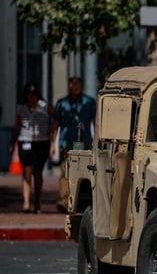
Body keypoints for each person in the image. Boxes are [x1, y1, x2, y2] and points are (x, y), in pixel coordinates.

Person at [50, 76, 97, 213]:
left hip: (84, 143)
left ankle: (81, 200)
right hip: (66, 143)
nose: (73, 88)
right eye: (71, 86)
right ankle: (65, 201)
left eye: (76, 86)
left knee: (84, 173)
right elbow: (55, 124)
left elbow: (95, 122)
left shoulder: (89, 102)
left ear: (81, 87)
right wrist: (52, 144)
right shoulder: (62, 103)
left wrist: (96, 141)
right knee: (65, 173)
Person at [7, 83, 55, 213]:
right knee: (26, 174)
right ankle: (26, 202)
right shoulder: (21, 108)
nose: (31, 96)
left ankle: (37, 201)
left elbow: (56, 118)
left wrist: (52, 138)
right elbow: (16, 127)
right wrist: (12, 143)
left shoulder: (44, 106)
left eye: (34, 93)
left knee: (38, 173)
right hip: (25, 142)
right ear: (25, 95)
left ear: (38, 94)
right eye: (29, 93)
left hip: (41, 143)